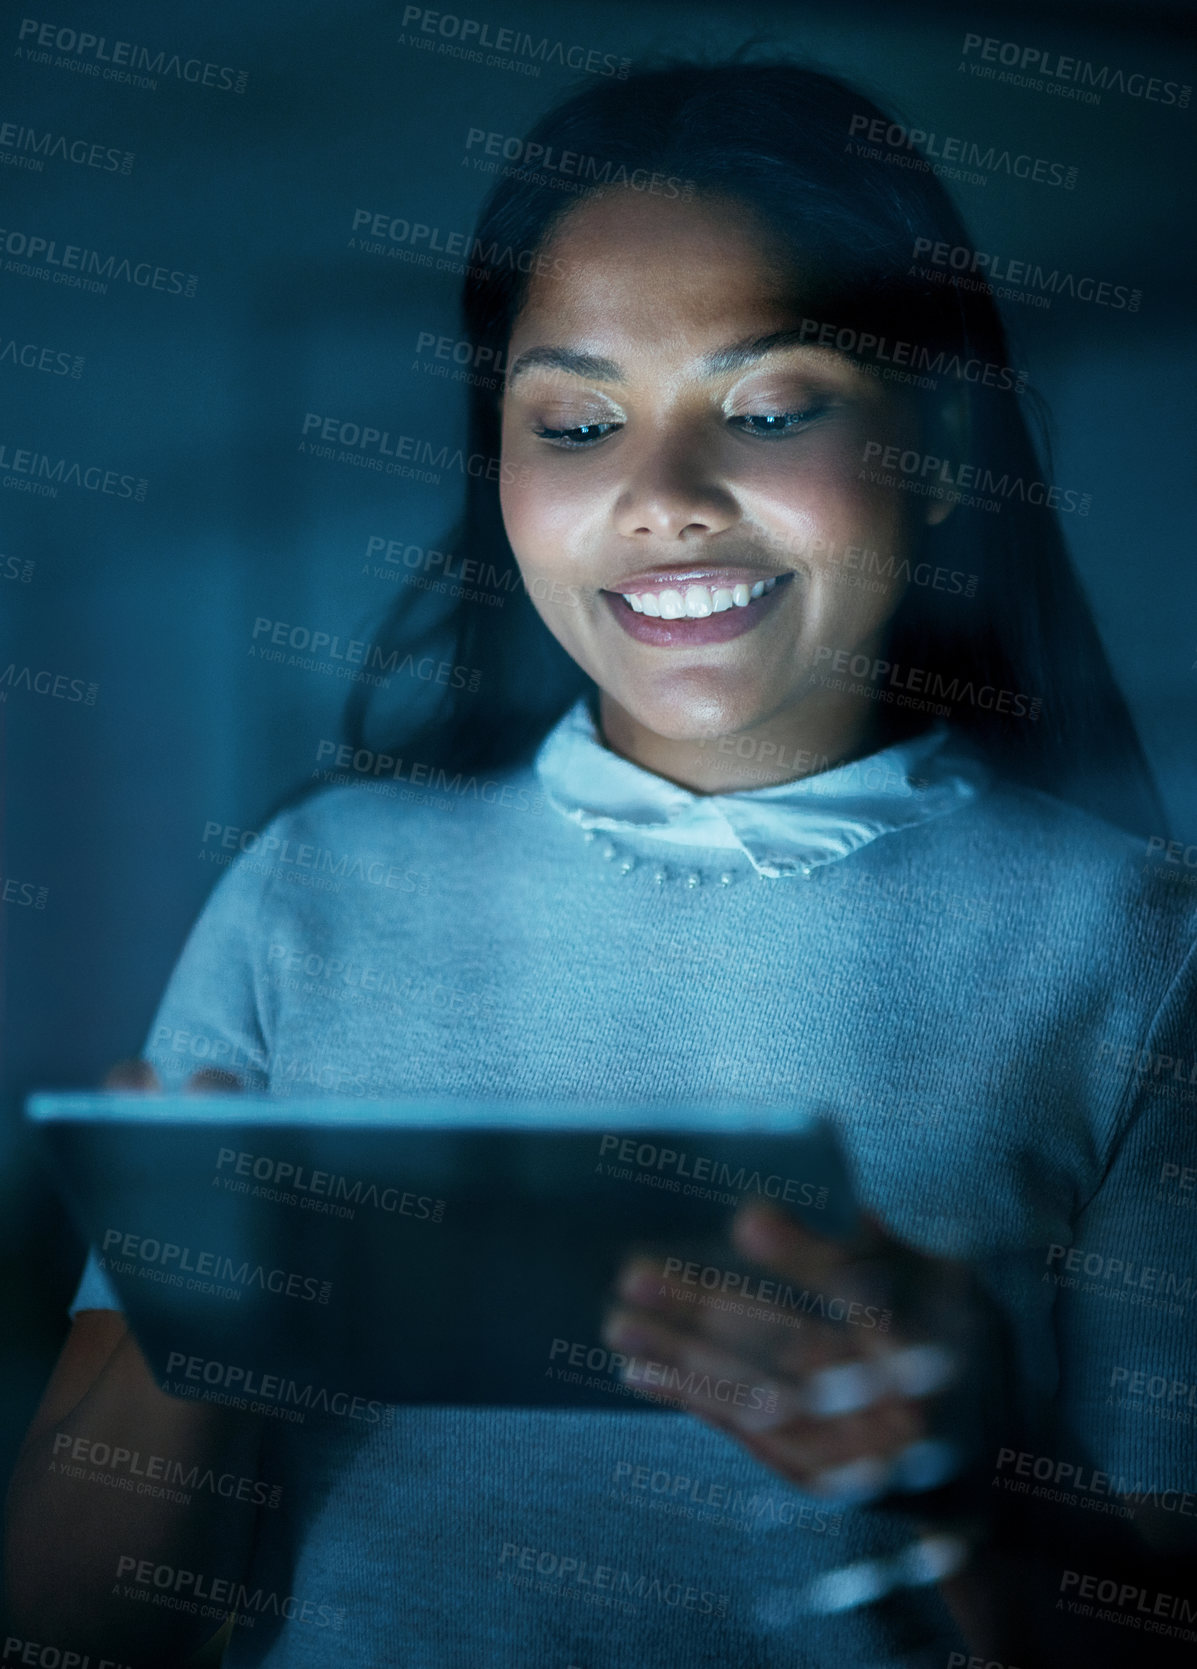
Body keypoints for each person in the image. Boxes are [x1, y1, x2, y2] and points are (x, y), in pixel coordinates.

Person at [6, 59, 1195, 1669]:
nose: (661, 498)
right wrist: (198, 1316)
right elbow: (68, 1628)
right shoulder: (312, 892)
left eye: (769, 409)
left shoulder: (1131, 948)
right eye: (575, 421)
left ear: (940, 436)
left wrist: (963, 1486)